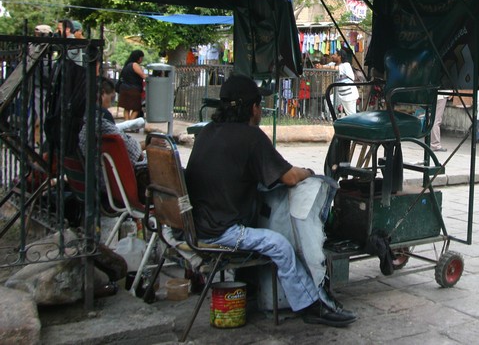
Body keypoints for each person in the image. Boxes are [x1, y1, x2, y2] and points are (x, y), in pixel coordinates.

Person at [184, 75, 357, 327]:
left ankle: (256, 286)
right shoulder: (251, 137)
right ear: (253, 108)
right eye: (259, 105)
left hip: (196, 223)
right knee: (281, 245)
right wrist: (308, 172)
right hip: (221, 232)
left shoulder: (207, 131)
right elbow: (288, 177)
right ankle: (311, 305)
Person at [327, 48, 359, 116]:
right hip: (341, 94)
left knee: (351, 115)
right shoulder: (334, 64)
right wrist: (320, 66)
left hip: (349, 94)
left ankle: (354, 125)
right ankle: (330, 117)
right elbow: (327, 66)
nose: (332, 56)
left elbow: (335, 68)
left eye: (334, 55)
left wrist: (322, 67)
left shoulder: (346, 65)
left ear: (339, 57)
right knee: (329, 99)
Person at [118, 50, 147, 121]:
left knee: (126, 108)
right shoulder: (135, 65)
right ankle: (130, 123)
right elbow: (143, 76)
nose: (142, 60)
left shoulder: (127, 65)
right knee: (136, 108)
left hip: (124, 88)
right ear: (139, 58)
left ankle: (126, 123)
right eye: (141, 58)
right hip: (133, 89)